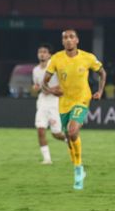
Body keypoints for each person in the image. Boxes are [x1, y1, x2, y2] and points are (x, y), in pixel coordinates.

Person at [43, 29, 106, 190]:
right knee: (70, 139)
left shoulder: (88, 57)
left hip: (82, 99)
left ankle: (78, 170)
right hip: (64, 103)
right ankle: (78, 167)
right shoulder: (56, 58)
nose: (68, 40)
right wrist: (51, 90)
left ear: (77, 40)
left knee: (72, 131)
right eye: (65, 37)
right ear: (62, 41)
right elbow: (44, 82)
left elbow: (102, 73)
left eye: (71, 37)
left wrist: (99, 91)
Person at [31, 45, 66, 164]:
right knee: (40, 130)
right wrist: (35, 88)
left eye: (44, 52)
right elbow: (36, 85)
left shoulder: (55, 67)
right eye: (40, 51)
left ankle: (68, 140)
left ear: (49, 55)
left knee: (56, 133)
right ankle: (47, 159)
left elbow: (63, 84)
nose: (42, 54)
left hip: (55, 101)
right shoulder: (35, 70)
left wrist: (50, 89)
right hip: (42, 101)